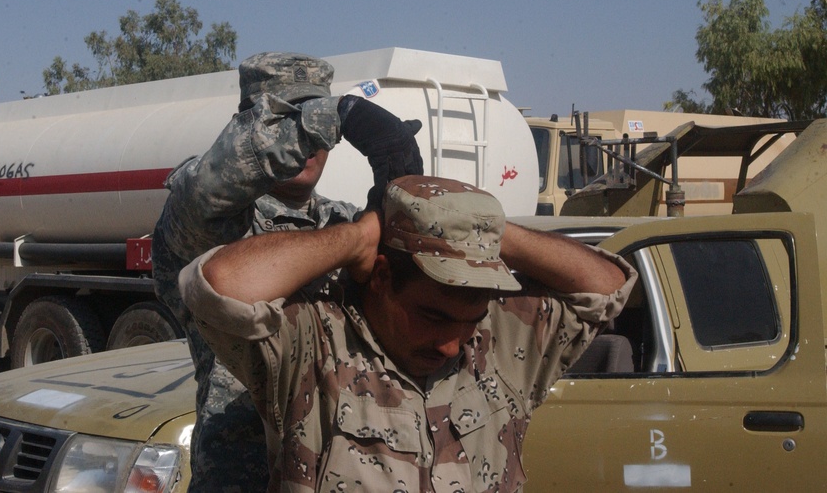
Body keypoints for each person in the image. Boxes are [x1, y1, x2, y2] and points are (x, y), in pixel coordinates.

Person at [180, 175, 638, 492]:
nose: (452, 345)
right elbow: (218, 285)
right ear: (381, 276)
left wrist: (484, 235)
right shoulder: (314, 344)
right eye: (433, 317)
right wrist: (357, 237)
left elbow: (608, 286)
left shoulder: (504, 340)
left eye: (469, 321)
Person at [152, 52, 423, 491]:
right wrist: (332, 114)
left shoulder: (346, 223)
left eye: (324, 124)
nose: (311, 136)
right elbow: (207, 188)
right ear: (248, 127)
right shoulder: (211, 226)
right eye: (292, 120)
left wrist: (399, 195)